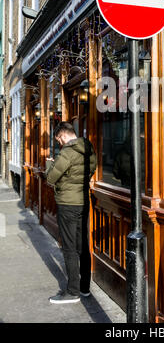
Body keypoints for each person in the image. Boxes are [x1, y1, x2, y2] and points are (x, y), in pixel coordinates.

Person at [46, 122, 96, 304]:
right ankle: (84, 288)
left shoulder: (66, 152)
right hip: (83, 201)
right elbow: (90, 169)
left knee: (69, 247)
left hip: (68, 204)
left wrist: (50, 166)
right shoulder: (88, 148)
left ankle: (72, 291)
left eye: (59, 139)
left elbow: (51, 179)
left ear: (63, 135)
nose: (59, 143)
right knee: (83, 245)